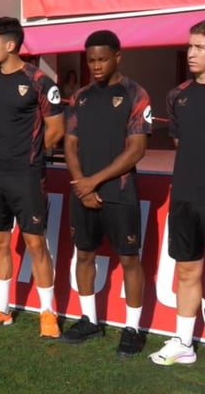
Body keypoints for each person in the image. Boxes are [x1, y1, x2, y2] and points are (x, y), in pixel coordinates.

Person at [62, 30, 152, 356]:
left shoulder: (135, 93)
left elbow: (137, 149)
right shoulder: (80, 97)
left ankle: (132, 328)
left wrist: (94, 181)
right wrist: (81, 183)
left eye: (102, 59)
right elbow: (70, 144)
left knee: (129, 259)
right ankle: (89, 320)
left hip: (120, 191)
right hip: (83, 192)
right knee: (84, 255)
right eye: (91, 60)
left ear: (117, 57)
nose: (96, 66)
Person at [0, 17, 64, 337]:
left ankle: (48, 312)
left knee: (35, 243)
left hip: (26, 175)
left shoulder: (40, 81)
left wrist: (29, 155)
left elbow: (56, 130)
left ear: (10, 45)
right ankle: (2, 309)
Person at [149, 19, 205, 365]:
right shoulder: (178, 95)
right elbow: (182, 143)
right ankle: (183, 342)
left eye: (199, 47)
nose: (190, 53)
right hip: (184, 195)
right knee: (187, 270)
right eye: (190, 45)